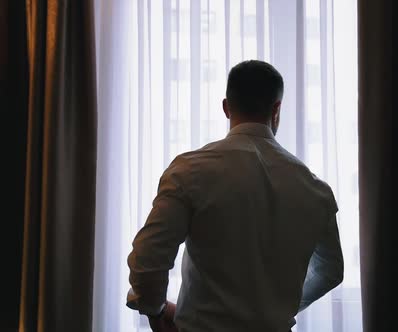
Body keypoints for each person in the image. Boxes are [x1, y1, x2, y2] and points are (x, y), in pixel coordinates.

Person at [126, 60, 344, 332]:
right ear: (277, 109)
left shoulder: (189, 171)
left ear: (226, 107)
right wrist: (275, 309)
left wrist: (156, 311)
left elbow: (148, 263)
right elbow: (330, 271)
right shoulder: (316, 189)